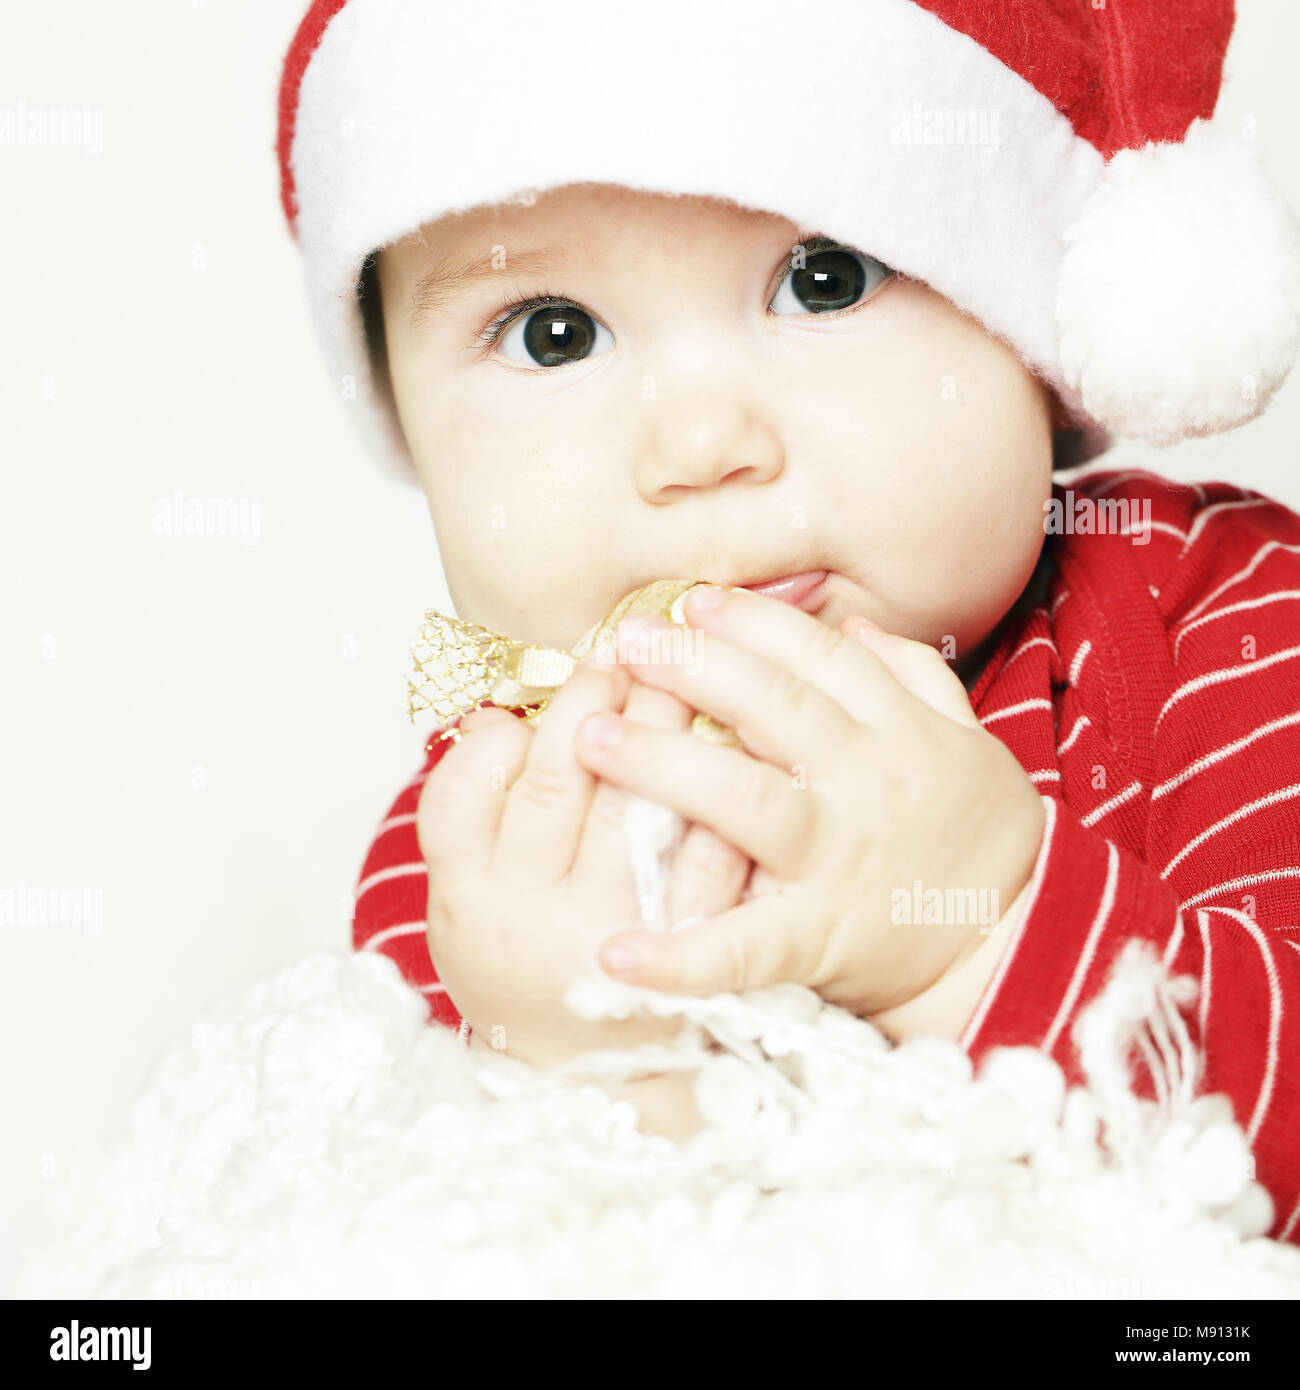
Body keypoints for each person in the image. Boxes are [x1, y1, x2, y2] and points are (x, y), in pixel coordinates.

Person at [276, 0, 1300, 1237]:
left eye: (825, 280)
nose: (699, 446)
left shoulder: (1216, 616)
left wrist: (981, 932)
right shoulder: (500, 823)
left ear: (1036, 326)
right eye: (553, 334)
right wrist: (596, 1066)